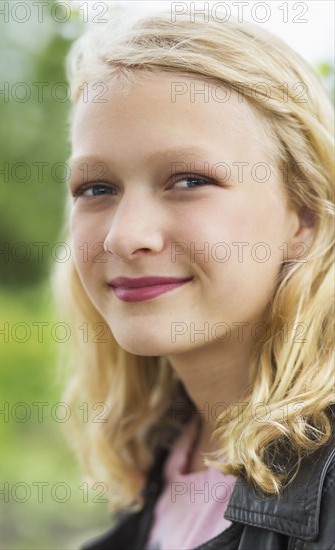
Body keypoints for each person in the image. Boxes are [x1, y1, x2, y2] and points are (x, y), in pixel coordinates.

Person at [52, 9, 335, 550]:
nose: (123, 236)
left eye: (189, 179)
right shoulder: (157, 475)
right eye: (96, 188)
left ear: (304, 217)